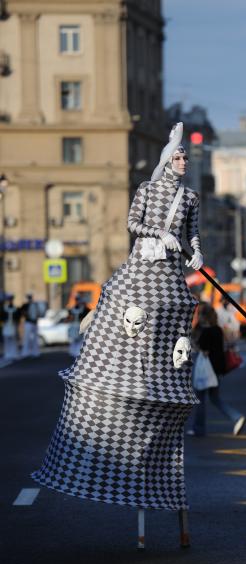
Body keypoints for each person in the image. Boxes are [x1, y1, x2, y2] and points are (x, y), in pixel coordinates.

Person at [33, 122, 204, 521]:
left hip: (170, 274)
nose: (183, 161)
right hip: (144, 265)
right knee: (123, 301)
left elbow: (193, 234)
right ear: (166, 161)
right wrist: (161, 235)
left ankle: (169, 369)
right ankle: (106, 344)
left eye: (185, 157)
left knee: (177, 316)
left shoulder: (191, 198)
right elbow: (132, 224)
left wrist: (196, 253)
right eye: (178, 156)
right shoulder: (146, 190)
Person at [188, 304, 246, 437]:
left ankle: (199, 429)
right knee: (215, 399)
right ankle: (236, 417)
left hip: (207, 371)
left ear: (204, 317)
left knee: (200, 398)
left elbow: (203, 349)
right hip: (218, 369)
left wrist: (197, 342)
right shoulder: (218, 330)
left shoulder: (206, 332)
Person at [20, 293, 41, 358]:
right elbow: (22, 312)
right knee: (27, 338)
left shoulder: (35, 304)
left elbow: (38, 313)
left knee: (35, 338)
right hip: (28, 322)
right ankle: (26, 352)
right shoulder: (25, 305)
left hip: (34, 322)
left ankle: (35, 352)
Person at [1, 294, 20, 360]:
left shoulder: (15, 308)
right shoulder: (5, 308)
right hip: (6, 326)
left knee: (13, 340)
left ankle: (14, 353)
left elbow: (18, 318)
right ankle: (7, 353)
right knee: (7, 340)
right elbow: (2, 317)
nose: (10, 301)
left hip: (13, 326)